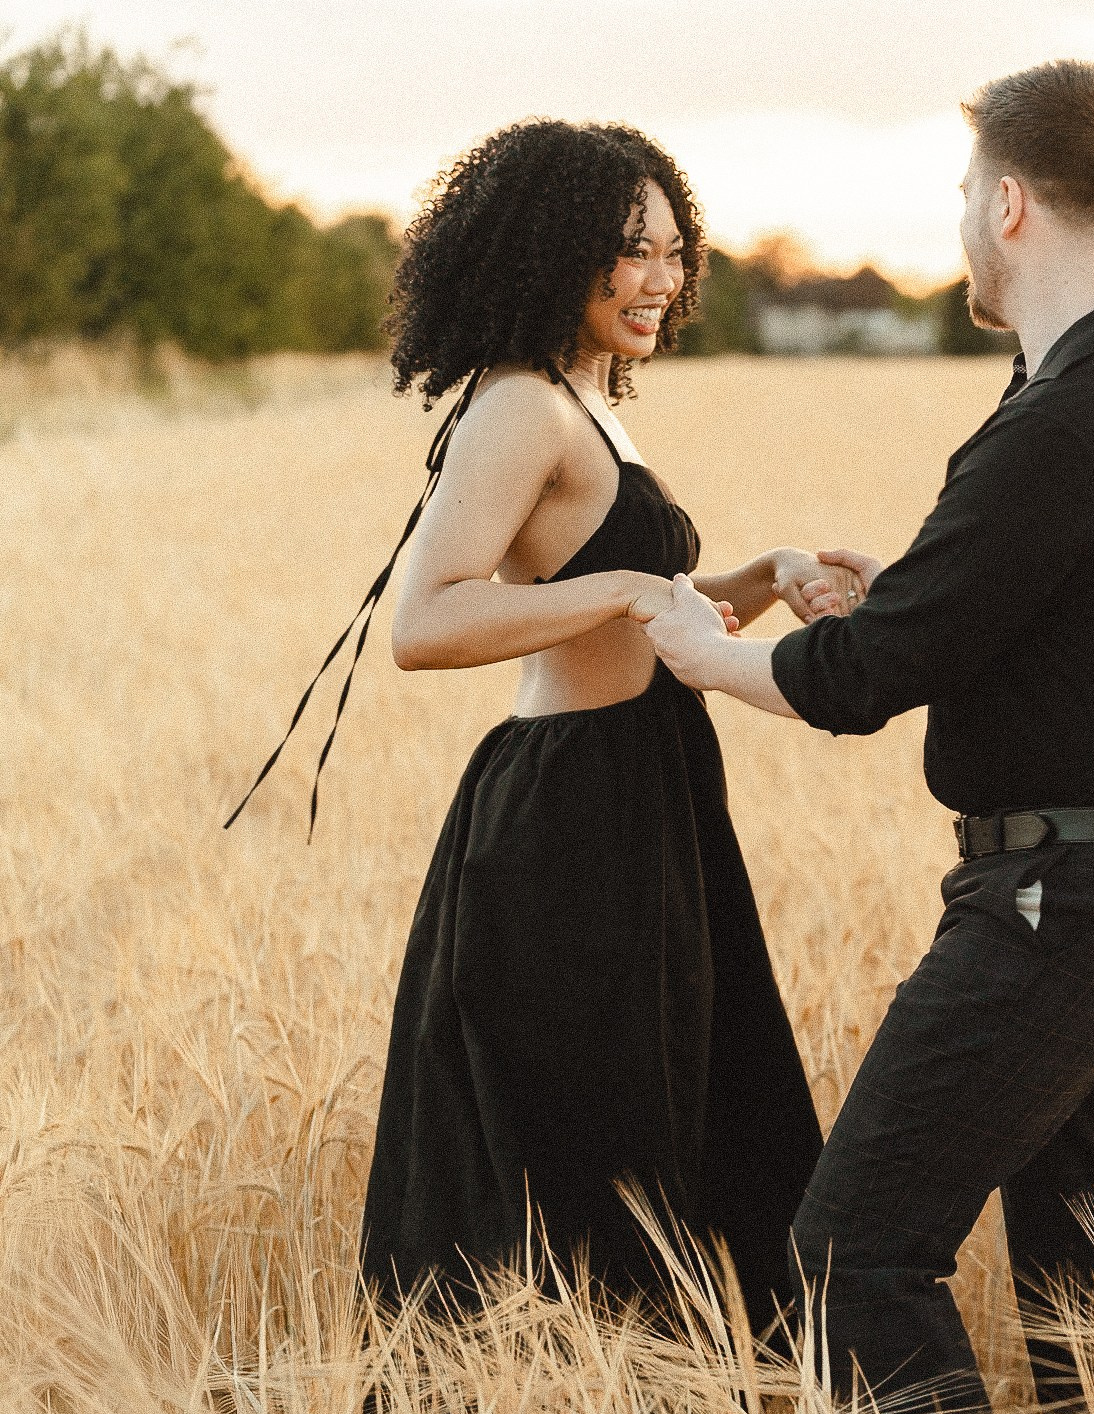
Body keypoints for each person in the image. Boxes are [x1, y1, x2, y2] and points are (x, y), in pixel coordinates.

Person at [643, 61, 1094, 1414]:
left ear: (1010, 202)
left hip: (1060, 893)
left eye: (968, 193)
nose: (962, 220)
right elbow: (1078, 622)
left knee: (856, 1245)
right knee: (1086, 1261)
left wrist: (688, 642)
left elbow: (851, 686)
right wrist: (914, 592)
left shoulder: (1072, 413)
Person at [234, 120, 848, 1328]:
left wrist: (759, 576)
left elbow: (633, 606)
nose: (660, 281)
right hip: (569, 823)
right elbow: (429, 619)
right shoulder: (519, 407)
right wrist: (628, 589)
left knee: (696, 1112)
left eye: (674, 252)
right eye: (628, 250)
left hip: (652, 795)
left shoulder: (585, 401)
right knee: (591, 1152)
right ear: (552, 250)